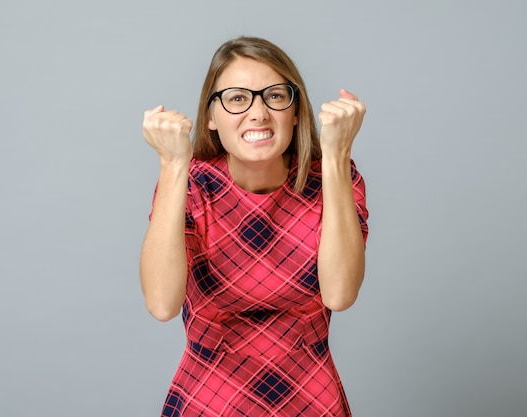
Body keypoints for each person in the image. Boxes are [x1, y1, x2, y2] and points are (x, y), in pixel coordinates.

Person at [140, 36, 368, 417]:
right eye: (237, 98)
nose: (258, 113)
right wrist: (173, 164)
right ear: (211, 116)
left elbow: (340, 295)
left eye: (275, 96)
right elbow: (162, 304)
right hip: (208, 401)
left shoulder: (334, 179)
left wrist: (336, 156)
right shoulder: (192, 185)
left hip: (311, 401)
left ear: (295, 112)